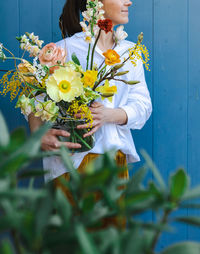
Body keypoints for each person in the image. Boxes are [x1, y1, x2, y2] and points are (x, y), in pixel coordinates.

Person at [29, 0, 152, 212]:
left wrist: (109, 115)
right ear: (96, 2)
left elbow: (143, 105)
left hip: (115, 165)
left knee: (111, 241)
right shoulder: (62, 51)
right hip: (72, 166)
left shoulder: (130, 52)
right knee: (71, 241)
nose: (129, 1)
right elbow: (33, 102)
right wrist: (38, 134)